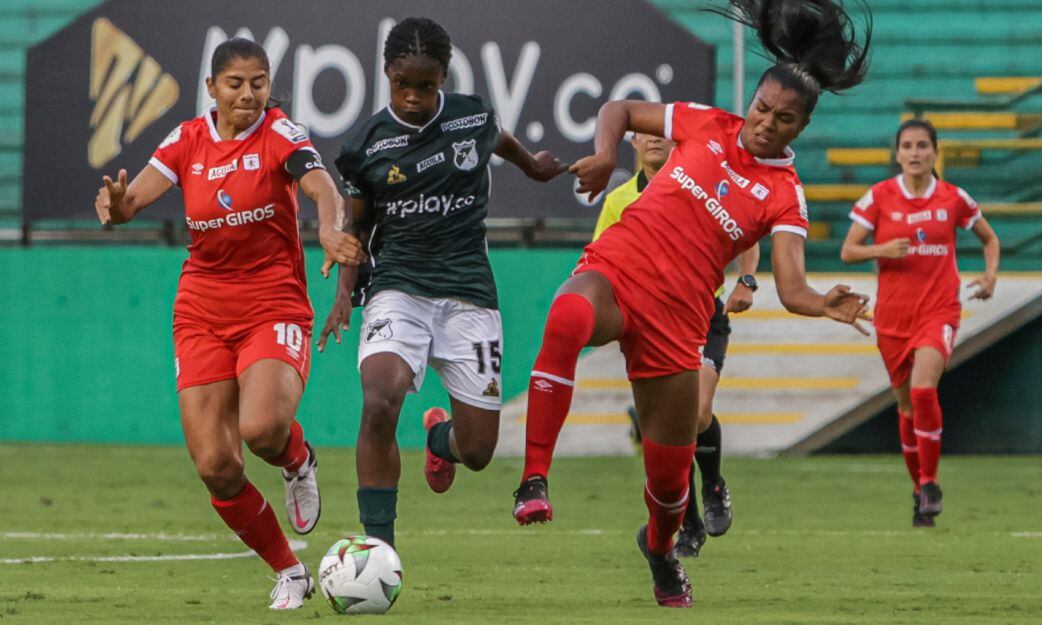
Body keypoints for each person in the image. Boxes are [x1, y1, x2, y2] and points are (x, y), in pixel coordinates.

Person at [512, 0, 874, 607]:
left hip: (679, 318)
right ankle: (533, 479)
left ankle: (659, 552)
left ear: (801, 128)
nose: (765, 123)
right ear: (751, 100)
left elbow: (790, 287)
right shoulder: (707, 122)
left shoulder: (785, 195)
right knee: (567, 315)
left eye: (783, 120)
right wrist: (604, 153)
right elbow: (620, 110)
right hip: (619, 269)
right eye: (762, 108)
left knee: (670, 480)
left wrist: (822, 304)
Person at [93, 38, 363, 609]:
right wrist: (117, 205)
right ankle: (289, 571)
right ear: (212, 88)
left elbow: (320, 186)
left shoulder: (280, 134)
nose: (248, 94)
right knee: (216, 465)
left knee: (262, 428)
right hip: (201, 309)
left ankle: (297, 459)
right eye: (235, 84)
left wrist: (329, 228)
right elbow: (133, 199)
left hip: (272, 302)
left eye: (258, 82)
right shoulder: (187, 139)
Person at [318, 17, 566, 551]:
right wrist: (344, 294)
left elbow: (498, 138)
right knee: (379, 399)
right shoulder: (364, 145)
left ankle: (438, 438)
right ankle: (377, 551)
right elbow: (357, 226)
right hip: (398, 286)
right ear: (386, 74)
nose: (412, 97)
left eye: (425, 86)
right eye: (402, 84)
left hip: (469, 293)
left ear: (443, 78)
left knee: (477, 452)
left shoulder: (470, 116)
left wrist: (534, 166)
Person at [594, 132, 759, 557]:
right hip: (649, 326)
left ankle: (715, 484)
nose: (653, 141)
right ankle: (688, 525)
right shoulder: (618, 202)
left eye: (663, 135)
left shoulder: (699, 185)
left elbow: (748, 230)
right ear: (632, 142)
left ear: (677, 143)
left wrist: (746, 279)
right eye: (645, 134)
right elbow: (600, 258)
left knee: (696, 414)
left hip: (703, 316)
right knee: (663, 432)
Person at [841, 119, 999, 527]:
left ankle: (930, 482)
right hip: (893, 316)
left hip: (939, 310)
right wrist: (883, 248)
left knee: (924, 390)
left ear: (935, 151)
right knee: (907, 406)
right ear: (897, 154)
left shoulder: (953, 198)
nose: (915, 153)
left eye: (922, 145)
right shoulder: (879, 197)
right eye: (907, 146)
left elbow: (989, 238)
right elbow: (848, 251)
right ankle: (919, 492)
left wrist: (990, 276)